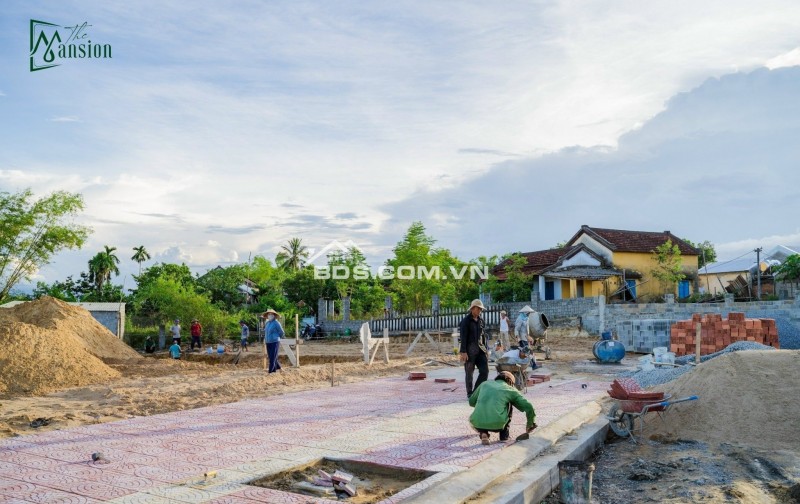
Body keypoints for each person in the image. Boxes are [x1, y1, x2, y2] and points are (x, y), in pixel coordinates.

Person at [469, 371, 537, 444]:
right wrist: (530, 423)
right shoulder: (510, 389)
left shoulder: (484, 384)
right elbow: (528, 406)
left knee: (484, 405)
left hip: (476, 423)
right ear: (510, 382)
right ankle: (504, 436)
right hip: (498, 424)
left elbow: (471, 401)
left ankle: (483, 432)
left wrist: (486, 404)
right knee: (509, 403)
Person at [459, 299, 489, 399]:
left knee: (485, 371)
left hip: (480, 350)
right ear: (472, 308)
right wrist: (463, 351)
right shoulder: (465, 321)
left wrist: (486, 349)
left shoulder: (481, 321)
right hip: (469, 351)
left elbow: (483, 336)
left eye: (481, 309)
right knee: (469, 373)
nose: (480, 311)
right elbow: (463, 337)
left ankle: (477, 390)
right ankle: (469, 393)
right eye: (478, 309)